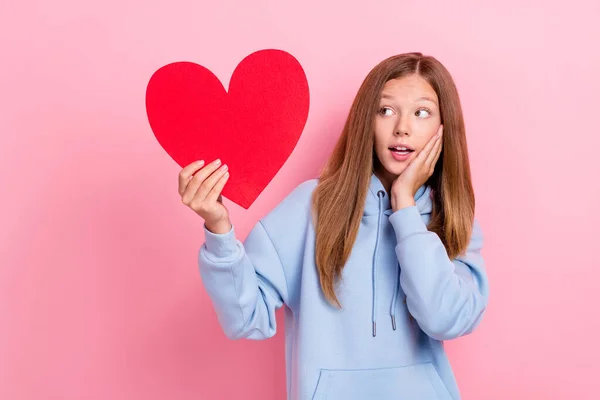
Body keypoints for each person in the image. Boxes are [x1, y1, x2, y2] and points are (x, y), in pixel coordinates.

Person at [179, 52, 489, 400]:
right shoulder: (311, 207)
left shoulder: (451, 218)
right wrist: (219, 229)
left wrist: (404, 209)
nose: (402, 126)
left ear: (443, 126)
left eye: (421, 112)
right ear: (365, 122)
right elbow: (245, 318)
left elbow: (445, 318)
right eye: (385, 110)